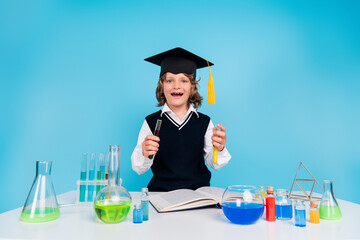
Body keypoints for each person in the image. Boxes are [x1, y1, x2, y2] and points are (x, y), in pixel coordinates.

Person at [131, 47, 231, 191]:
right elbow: (138, 168)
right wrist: (145, 153)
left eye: (184, 80)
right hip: (161, 195)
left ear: (192, 87)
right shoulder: (151, 122)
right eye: (169, 80)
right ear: (162, 86)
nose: (176, 86)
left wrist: (219, 149)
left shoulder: (204, 122)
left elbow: (216, 164)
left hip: (198, 195)